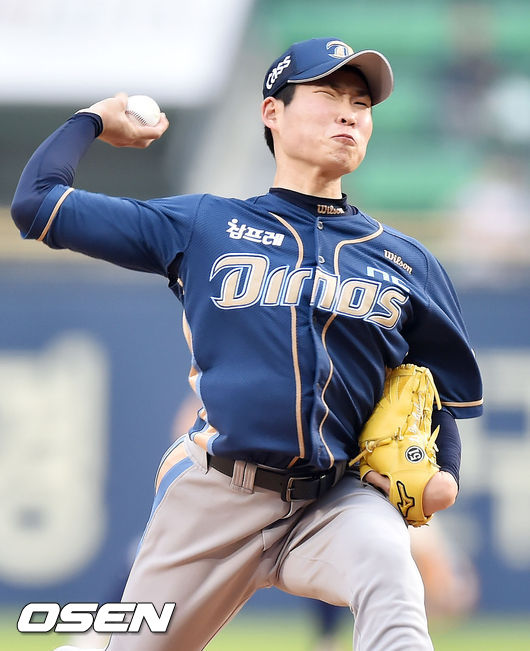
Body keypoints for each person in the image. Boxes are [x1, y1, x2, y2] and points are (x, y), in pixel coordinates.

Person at [11, 37, 483, 651]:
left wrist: (445, 474)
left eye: (361, 103)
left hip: (336, 499)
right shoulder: (205, 224)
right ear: (272, 113)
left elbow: (436, 392)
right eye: (329, 94)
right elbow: (37, 204)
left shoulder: (407, 262)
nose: (348, 114)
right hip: (217, 496)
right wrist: (92, 121)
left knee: (390, 574)